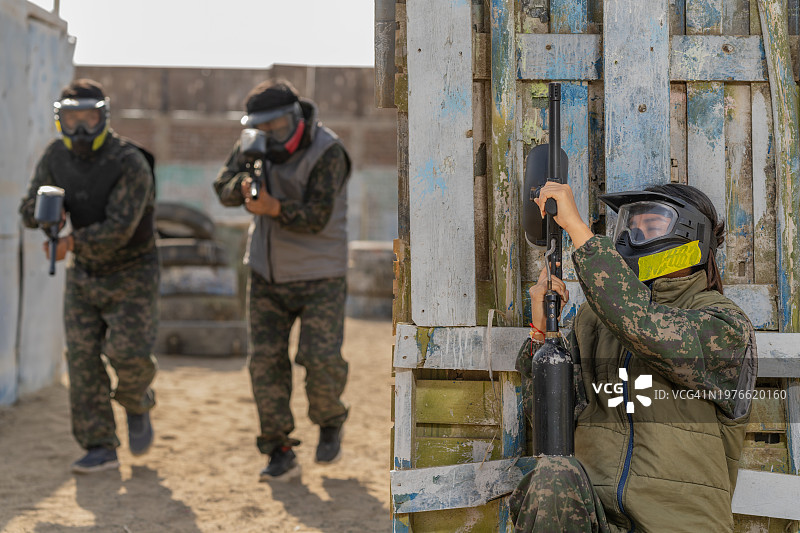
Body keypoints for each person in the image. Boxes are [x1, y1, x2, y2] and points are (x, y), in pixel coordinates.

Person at [511, 182, 757, 532]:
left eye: (650, 228)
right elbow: (552, 424)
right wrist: (540, 334)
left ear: (693, 239)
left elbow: (645, 327)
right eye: (630, 227)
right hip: (600, 521)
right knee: (553, 475)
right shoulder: (593, 323)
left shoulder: (724, 324)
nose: (632, 238)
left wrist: (579, 231)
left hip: (679, 525)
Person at [18, 79, 159, 474]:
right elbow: (27, 208)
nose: (80, 128)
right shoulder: (55, 157)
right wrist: (46, 212)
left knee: (128, 355)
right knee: (82, 359)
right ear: (60, 120)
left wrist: (68, 244)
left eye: (89, 118)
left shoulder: (130, 162)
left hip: (133, 271)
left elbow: (120, 228)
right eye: (71, 118)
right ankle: (100, 446)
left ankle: (136, 402)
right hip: (84, 274)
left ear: (104, 118)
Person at [214, 79, 351, 481]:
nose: (271, 136)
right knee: (265, 363)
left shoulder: (329, 151)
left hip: (320, 274)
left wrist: (274, 208)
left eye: (277, 126)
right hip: (266, 273)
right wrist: (240, 187)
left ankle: (329, 420)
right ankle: (279, 449)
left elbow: (317, 217)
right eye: (264, 127)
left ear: (295, 117)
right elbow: (221, 187)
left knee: (320, 360)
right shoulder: (251, 144)